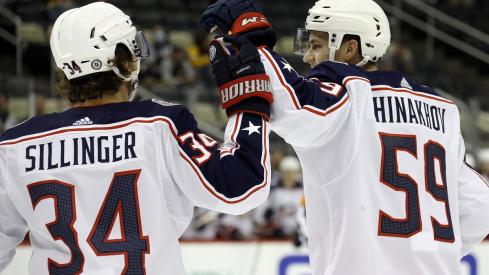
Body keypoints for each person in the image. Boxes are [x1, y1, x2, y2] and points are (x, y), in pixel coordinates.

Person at [200, 0, 489, 274]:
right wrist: (430, 253)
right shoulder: (444, 110)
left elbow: (294, 104)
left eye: (315, 44)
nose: (309, 55)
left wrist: (254, 43)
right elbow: (480, 206)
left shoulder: (352, 91)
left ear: (350, 48)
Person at [0, 2, 273, 274]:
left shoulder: (14, 146)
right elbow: (243, 187)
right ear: (122, 61)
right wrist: (248, 96)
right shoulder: (160, 124)